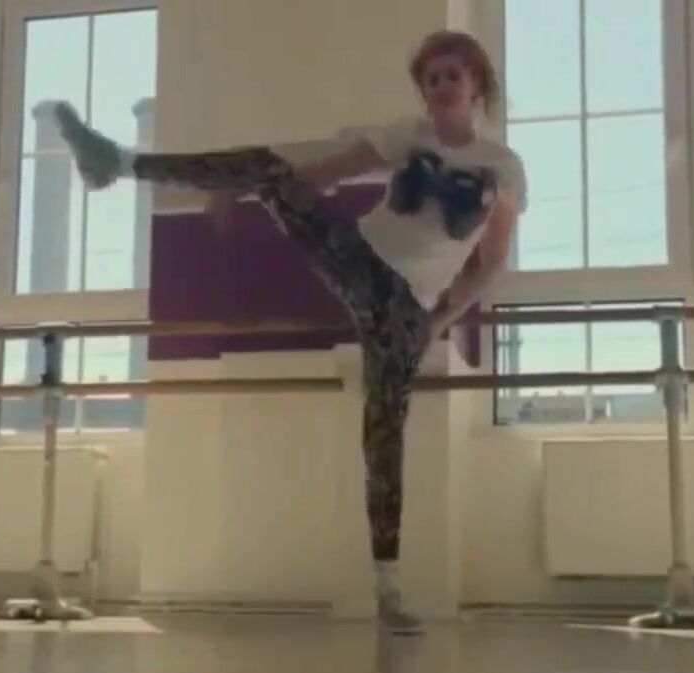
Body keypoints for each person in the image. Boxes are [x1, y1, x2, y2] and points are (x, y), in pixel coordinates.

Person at [53, 30, 527, 635]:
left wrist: (437, 322)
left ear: (477, 83)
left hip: (406, 306)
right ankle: (118, 162)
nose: (441, 87)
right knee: (267, 165)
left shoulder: (503, 167)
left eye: (452, 75)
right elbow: (326, 173)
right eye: (431, 78)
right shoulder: (407, 136)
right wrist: (254, 182)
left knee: (384, 433)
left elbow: (489, 264)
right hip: (358, 256)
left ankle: (388, 590)